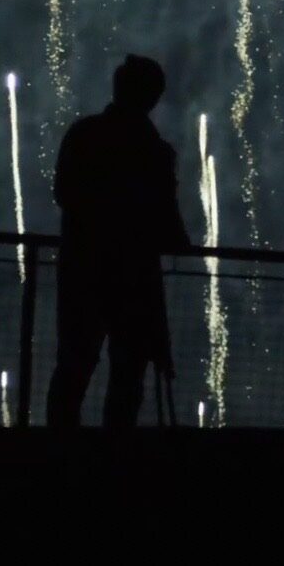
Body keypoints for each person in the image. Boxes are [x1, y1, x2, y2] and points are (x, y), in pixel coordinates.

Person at [46, 55, 192, 429]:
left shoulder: (84, 134)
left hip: (82, 268)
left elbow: (63, 193)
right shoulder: (154, 150)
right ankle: (115, 460)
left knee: (74, 366)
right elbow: (168, 222)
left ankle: (56, 453)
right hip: (135, 278)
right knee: (128, 375)